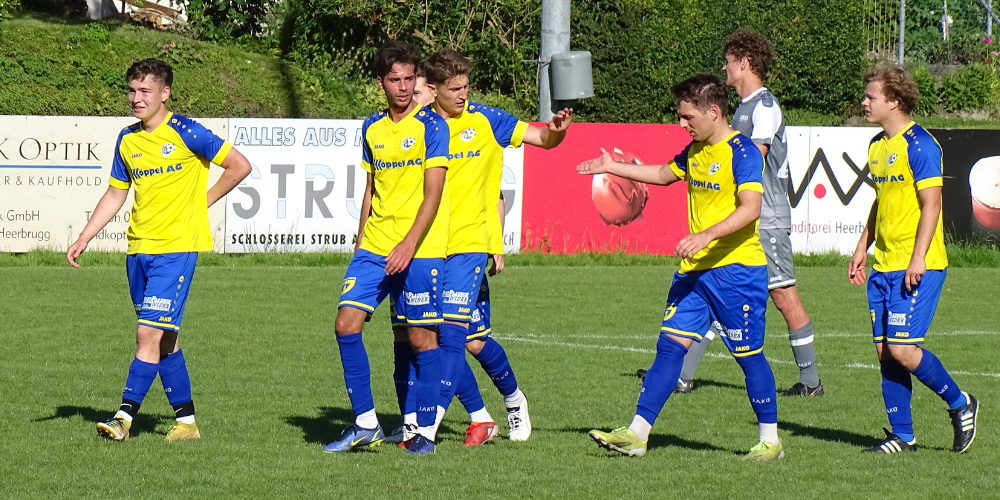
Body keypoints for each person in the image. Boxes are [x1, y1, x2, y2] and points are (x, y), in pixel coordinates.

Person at [580, 73, 783, 460]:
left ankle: (771, 441)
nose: (681, 124)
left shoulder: (741, 153)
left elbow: (751, 209)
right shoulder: (694, 151)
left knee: (748, 355)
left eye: (688, 116)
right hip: (695, 273)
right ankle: (638, 435)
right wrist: (612, 166)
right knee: (669, 346)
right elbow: (660, 175)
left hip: (737, 272)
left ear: (713, 111)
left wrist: (706, 236)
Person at [388, 48, 572, 446]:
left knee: (456, 337)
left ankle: (435, 424)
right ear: (432, 89)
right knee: (452, 339)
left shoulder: (487, 120)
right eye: (454, 88)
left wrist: (557, 128)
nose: (462, 95)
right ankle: (485, 411)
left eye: (466, 87)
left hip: (470, 244)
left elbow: (544, 138)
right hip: (428, 246)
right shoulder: (419, 127)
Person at [66, 58, 251, 442]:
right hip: (138, 252)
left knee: (146, 334)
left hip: (177, 250)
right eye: (132, 91)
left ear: (165, 93)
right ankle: (187, 424)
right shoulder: (128, 139)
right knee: (165, 339)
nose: (136, 98)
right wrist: (85, 236)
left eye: (145, 91)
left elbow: (239, 165)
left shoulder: (186, 132)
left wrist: (201, 203)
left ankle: (124, 417)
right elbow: (117, 192)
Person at [670, 30, 823, 396]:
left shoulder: (764, 107)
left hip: (763, 218)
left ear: (745, 63)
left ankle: (810, 381)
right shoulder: (741, 108)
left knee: (784, 295)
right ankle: (682, 374)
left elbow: (752, 163)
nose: (724, 67)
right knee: (713, 289)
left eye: (728, 61)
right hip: (746, 218)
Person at [322, 41, 451, 455]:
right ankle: (365, 424)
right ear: (381, 82)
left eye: (410, 79)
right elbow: (371, 188)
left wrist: (408, 245)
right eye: (395, 79)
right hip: (375, 246)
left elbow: (433, 194)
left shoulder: (432, 127)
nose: (403, 87)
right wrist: (362, 242)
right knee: (346, 324)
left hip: (420, 248)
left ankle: (425, 432)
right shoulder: (372, 128)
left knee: (419, 337)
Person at [848, 64, 978, 454]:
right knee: (886, 351)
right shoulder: (876, 146)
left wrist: (918, 258)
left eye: (871, 97)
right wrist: (861, 247)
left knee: (904, 349)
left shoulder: (920, 144)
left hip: (916, 265)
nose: (864, 102)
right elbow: (880, 202)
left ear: (895, 101)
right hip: (883, 265)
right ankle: (902, 436)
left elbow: (932, 205)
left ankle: (961, 403)